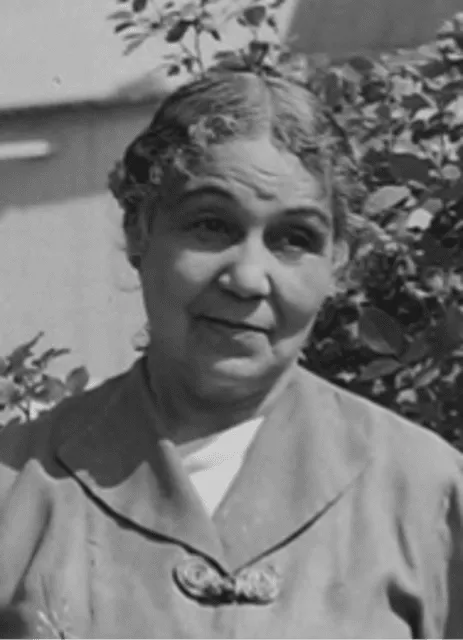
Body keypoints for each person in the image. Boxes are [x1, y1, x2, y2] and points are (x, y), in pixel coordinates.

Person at [1, 67, 463, 640]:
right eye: (210, 225)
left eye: (294, 239)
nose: (248, 278)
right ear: (139, 228)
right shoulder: (16, 491)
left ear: (338, 260)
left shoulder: (427, 495)